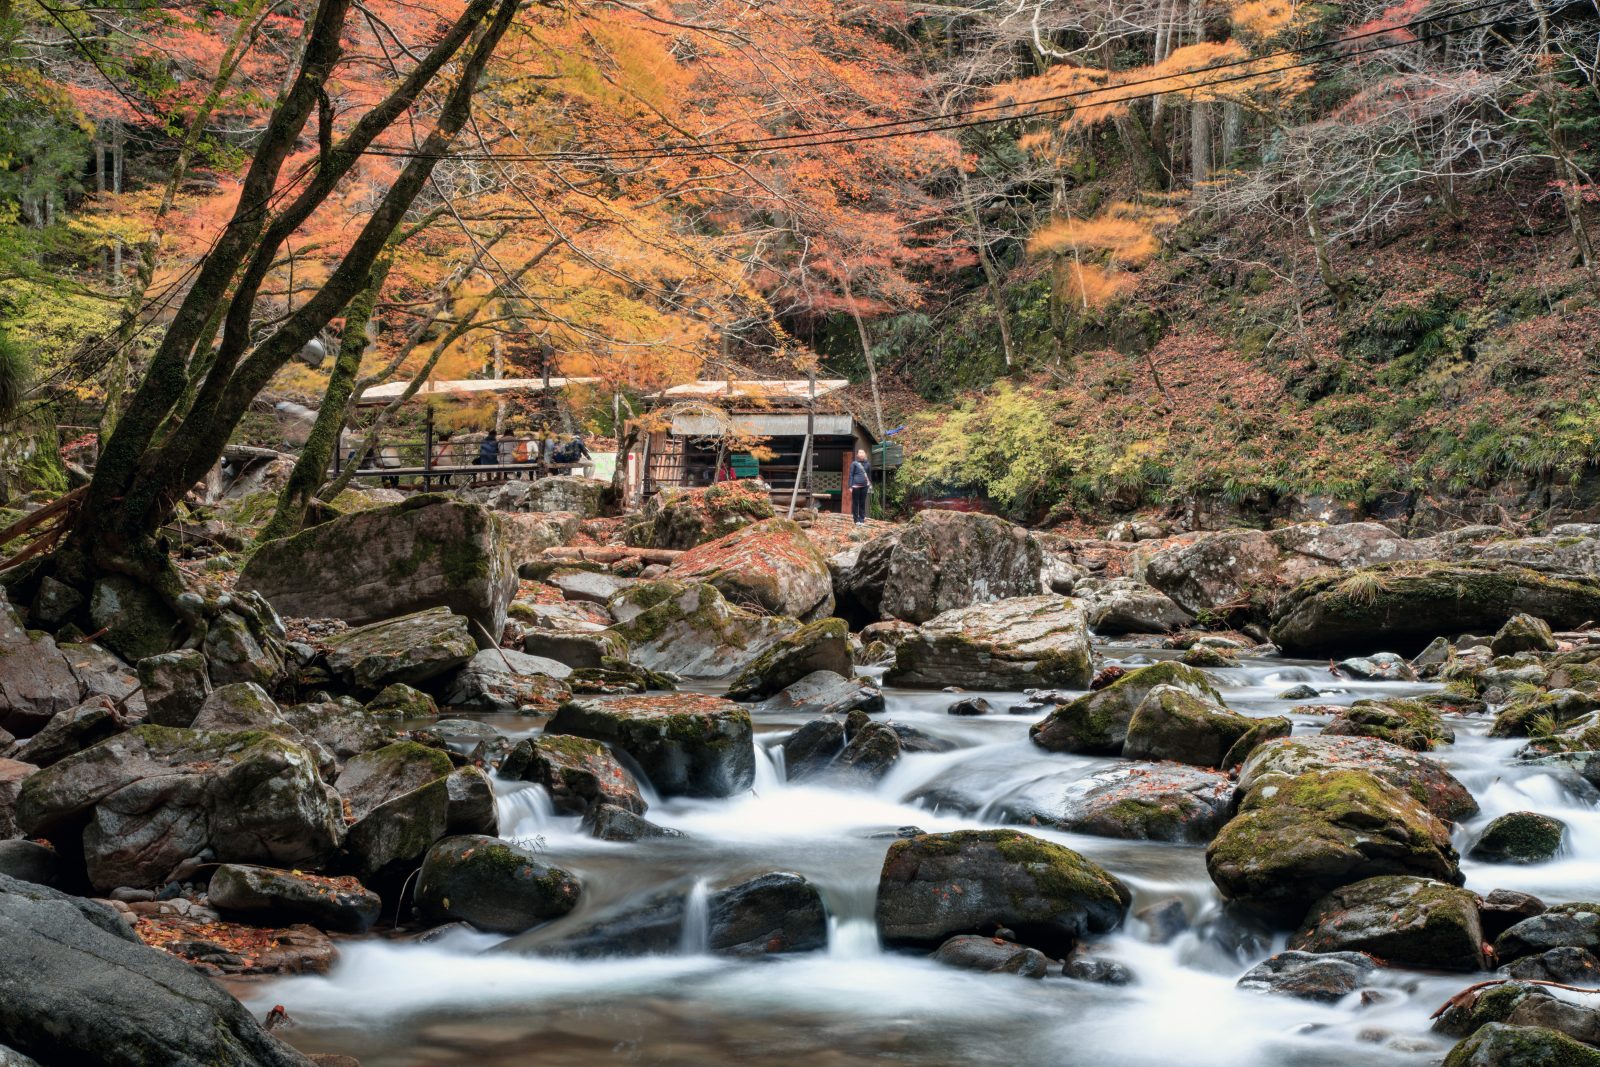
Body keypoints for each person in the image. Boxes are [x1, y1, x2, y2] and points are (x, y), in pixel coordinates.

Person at [849, 448, 871, 524]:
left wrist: (869, 485)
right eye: (860, 452)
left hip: (865, 486)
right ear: (857, 455)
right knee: (855, 502)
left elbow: (869, 475)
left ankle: (862, 519)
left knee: (862, 502)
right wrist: (850, 486)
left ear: (865, 454)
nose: (861, 454)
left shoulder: (868, 464)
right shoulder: (854, 463)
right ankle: (856, 519)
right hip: (855, 486)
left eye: (863, 452)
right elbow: (851, 475)